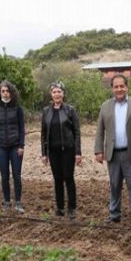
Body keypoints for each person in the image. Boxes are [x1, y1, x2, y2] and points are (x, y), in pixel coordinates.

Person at [94, 74, 131, 229]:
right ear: (112, 89)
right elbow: (100, 130)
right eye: (116, 86)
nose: (119, 89)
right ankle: (114, 215)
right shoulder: (105, 106)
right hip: (113, 153)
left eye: (122, 86)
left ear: (127, 87)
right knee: (114, 185)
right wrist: (98, 150)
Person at [41, 82, 82, 219]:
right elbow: (43, 133)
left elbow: (77, 132)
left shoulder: (70, 110)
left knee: (68, 178)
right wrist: (44, 153)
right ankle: (59, 208)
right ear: (51, 94)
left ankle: (72, 208)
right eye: (54, 92)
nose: (57, 94)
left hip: (68, 150)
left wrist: (78, 152)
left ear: (63, 94)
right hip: (53, 151)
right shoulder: (46, 111)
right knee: (57, 179)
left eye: (59, 92)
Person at [0, 80, 25, 212]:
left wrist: (21, 145)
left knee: (16, 175)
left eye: (7, 91)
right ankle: (6, 201)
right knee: (4, 176)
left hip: (15, 146)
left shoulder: (18, 108)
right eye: (2, 91)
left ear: (11, 92)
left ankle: (18, 202)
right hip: (1, 147)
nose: (5, 93)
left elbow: (22, 129)